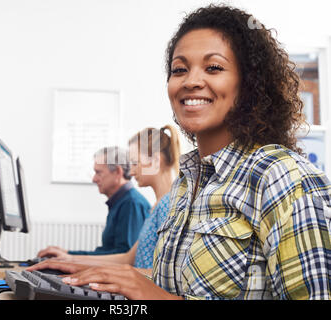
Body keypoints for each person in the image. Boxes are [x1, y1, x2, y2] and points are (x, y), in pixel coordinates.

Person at [28, 5, 331, 300]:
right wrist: (83, 272)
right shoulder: (187, 186)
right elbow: (179, 289)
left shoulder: (283, 177)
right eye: (179, 70)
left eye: (214, 67)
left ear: (250, 83)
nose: (191, 81)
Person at [37, 125, 181, 272]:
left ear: (155, 160)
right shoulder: (158, 205)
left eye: (135, 163)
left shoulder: (168, 206)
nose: (131, 171)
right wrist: (69, 259)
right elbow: (127, 259)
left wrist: (100, 274)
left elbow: (165, 278)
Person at [39, 146, 151, 256]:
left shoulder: (131, 204)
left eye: (98, 172)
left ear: (117, 172)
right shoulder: (121, 202)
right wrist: (67, 254)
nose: (94, 179)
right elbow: (108, 252)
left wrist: (70, 257)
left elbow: (123, 257)